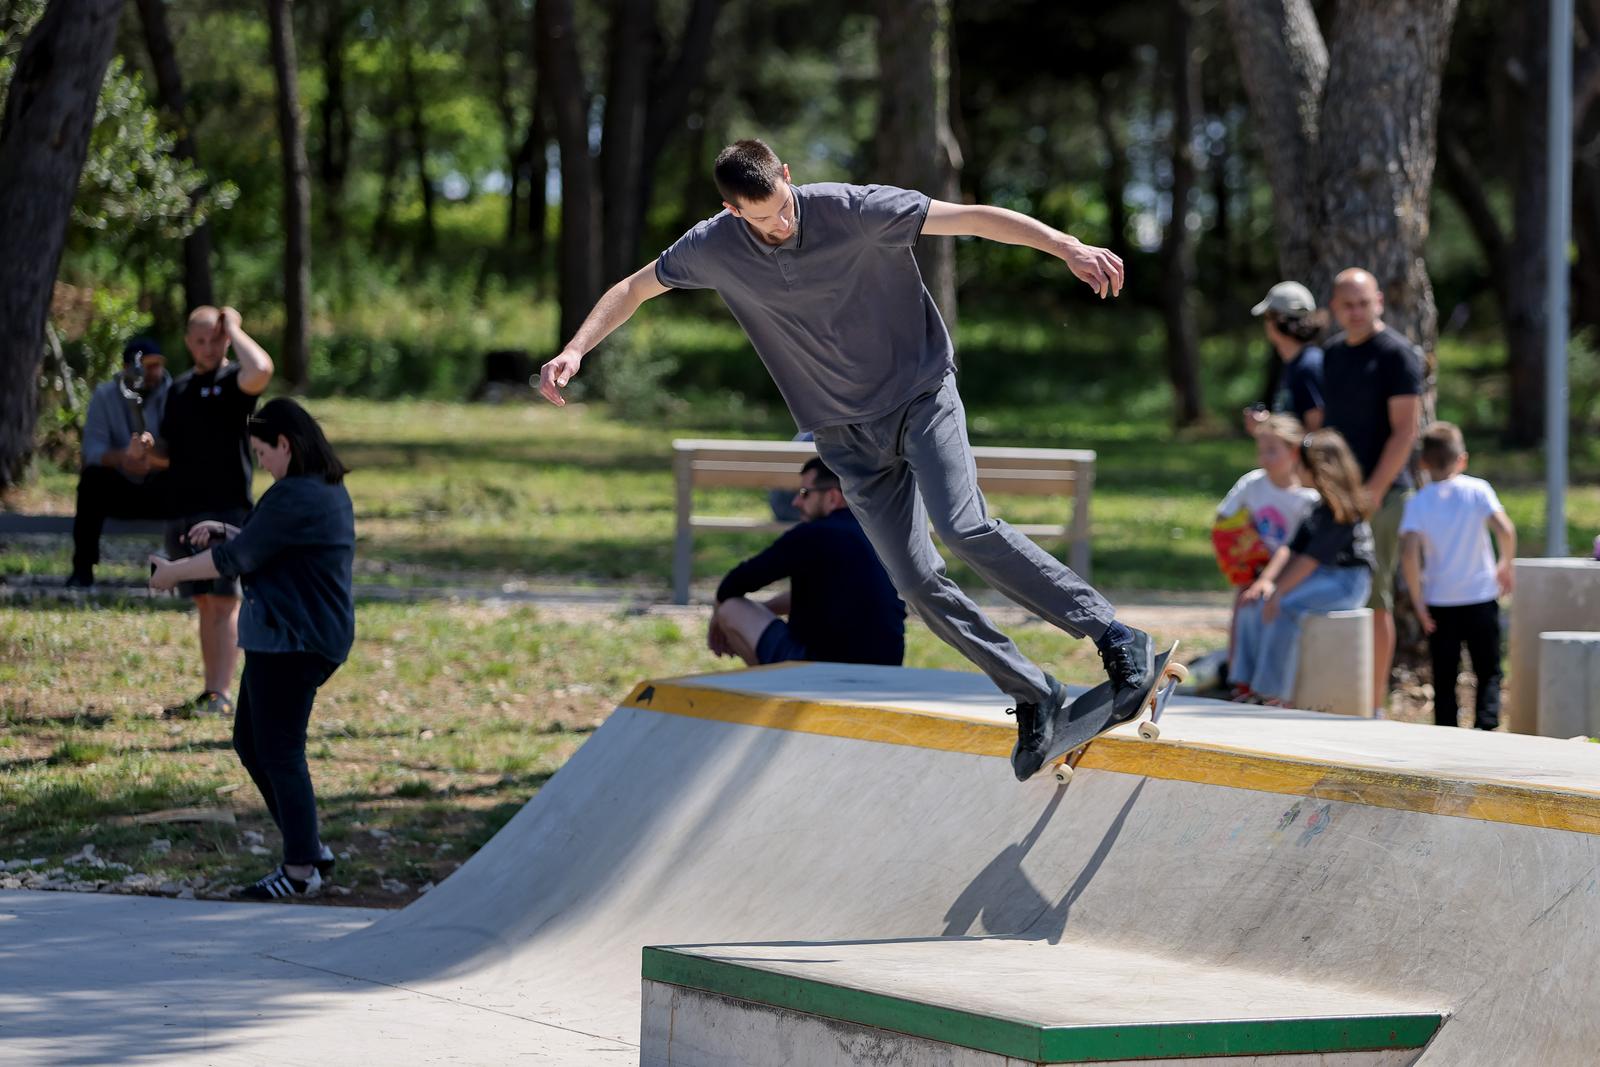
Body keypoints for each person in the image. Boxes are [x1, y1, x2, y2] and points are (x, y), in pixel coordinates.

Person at [537, 138, 1154, 781]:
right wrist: (577, 348)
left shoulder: (854, 209)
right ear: (730, 209)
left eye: (782, 207)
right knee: (914, 581)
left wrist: (1067, 247)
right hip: (844, 441)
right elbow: (635, 287)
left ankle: (1112, 635)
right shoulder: (712, 245)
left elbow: (969, 217)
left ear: (788, 176)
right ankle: (1035, 693)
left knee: (963, 526)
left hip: (920, 397)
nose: (779, 226)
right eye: (760, 219)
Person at [149, 398, 354, 901]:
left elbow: (236, 559)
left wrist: (173, 571)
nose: (260, 462)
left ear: (286, 445)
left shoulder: (294, 494)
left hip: (293, 639)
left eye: (263, 452)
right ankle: (310, 850)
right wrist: (228, 530)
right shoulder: (321, 489)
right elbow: (268, 544)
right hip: (296, 636)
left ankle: (301, 869)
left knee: (280, 752)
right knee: (252, 743)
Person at [156, 306, 275, 720]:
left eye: (217, 339)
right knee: (205, 602)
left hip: (227, 509)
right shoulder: (179, 389)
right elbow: (165, 454)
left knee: (224, 602)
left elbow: (261, 367)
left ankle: (222, 694)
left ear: (227, 341)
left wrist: (236, 326)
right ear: (188, 342)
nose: (208, 348)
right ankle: (211, 691)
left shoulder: (234, 382)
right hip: (183, 509)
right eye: (200, 340)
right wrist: (143, 452)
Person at [1318, 268, 1423, 717]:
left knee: (1375, 595)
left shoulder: (1398, 355)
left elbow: (1405, 432)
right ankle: (1336, 692)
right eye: (1348, 305)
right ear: (1335, 308)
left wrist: (1374, 491)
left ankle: (1374, 704)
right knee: (1331, 590)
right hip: (1337, 495)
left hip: (1383, 494)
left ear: (1379, 301)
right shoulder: (1332, 355)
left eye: (1364, 303)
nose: (1356, 312)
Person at [710, 458, 905, 667]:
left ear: (832, 497)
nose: (796, 502)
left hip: (818, 670)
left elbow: (732, 585)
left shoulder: (811, 535)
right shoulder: (883, 536)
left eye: (805, 493)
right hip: (885, 667)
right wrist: (765, 609)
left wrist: (717, 621)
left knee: (731, 609)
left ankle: (776, 692)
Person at [1230, 430, 1374, 706]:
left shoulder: (1341, 509)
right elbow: (1291, 549)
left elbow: (1309, 562)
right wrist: (1265, 583)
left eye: (1301, 464)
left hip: (1347, 582)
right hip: (1319, 576)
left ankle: (1271, 692)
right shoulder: (1317, 505)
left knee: (1284, 608)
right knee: (1252, 602)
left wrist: (1279, 591)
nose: (1296, 469)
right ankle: (1244, 684)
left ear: (1316, 468)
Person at [1400, 422, 1516, 730]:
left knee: (1445, 672)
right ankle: (1486, 724)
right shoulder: (1478, 490)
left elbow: (1409, 553)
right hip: (1480, 595)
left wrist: (1418, 600)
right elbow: (1505, 529)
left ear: (1423, 462)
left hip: (1440, 600)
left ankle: (1447, 731)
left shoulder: (1418, 501)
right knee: (1488, 669)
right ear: (1461, 459)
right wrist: (1505, 563)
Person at [1213, 415, 1320, 679]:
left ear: (1294, 452)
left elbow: (1303, 548)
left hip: (1291, 572)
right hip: (1254, 569)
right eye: (1261, 451)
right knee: (1244, 607)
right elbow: (1223, 517)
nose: (1264, 458)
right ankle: (1237, 675)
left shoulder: (1308, 497)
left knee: (1275, 612)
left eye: (1272, 451)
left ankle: (1268, 678)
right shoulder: (1253, 483)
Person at [68, 337, 172, 588]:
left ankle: (180, 569)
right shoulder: (105, 395)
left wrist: (152, 461)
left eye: (157, 365)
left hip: (160, 486)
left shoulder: (175, 393)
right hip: (119, 487)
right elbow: (92, 451)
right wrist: (125, 459)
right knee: (92, 480)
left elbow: (185, 454)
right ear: (128, 368)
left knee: (186, 481)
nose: (154, 372)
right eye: (147, 366)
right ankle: (82, 570)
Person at [1243, 281, 1325, 435]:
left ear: (1280, 321)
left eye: (1267, 316)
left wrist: (1268, 426)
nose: (1265, 324)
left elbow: (1317, 435)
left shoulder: (1308, 366)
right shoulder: (1294, 363)